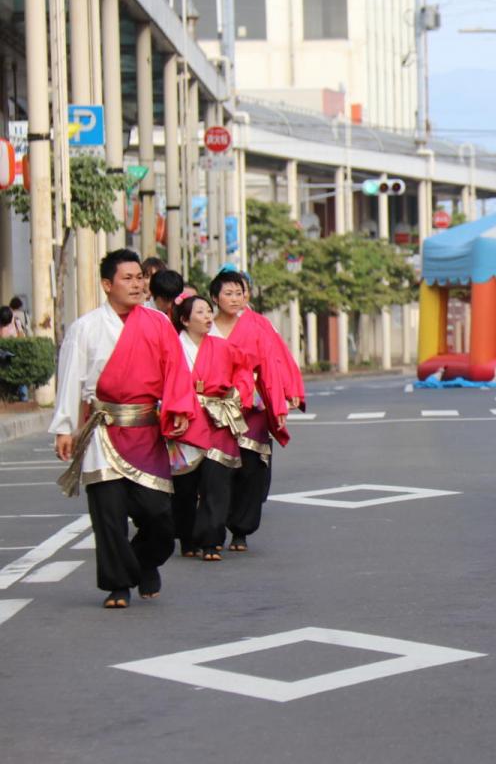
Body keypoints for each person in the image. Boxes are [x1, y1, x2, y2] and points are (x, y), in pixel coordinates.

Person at [49, 249, 196, 609]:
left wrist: (178, 407)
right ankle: (118, 585)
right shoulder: (85, 328)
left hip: (145, 431)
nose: (137, 284)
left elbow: (176, 369)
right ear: (106, 284)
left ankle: (145, 560)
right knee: (109, 517)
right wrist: (66, 427)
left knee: (160, 516)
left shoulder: (158, 323)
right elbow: (70, 380)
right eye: (127, 278)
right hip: (102, 431)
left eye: (139, 278)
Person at [208, 269, 305, 553]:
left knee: (251, 469)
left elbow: (275, 364)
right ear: (215, 298)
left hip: (253, 408)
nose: (235, 299)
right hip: (214, 409)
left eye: (239, 293)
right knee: (216, 470)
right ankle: (214, 526)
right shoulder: (205, 328)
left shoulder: (258, 325)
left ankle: (241, 530)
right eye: (228, 293)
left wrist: (283, 399)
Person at [168, 295, 254, 562]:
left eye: (209, 311)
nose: (207, 317)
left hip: (216, 418)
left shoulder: (222, 347)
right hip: (185, 418)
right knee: (184, 485)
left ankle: (211, 540)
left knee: (217, 481)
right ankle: (187, 536)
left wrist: (238, 395)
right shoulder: (172, 348)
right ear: (184, 319)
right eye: (200, 312)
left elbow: (245, 369)